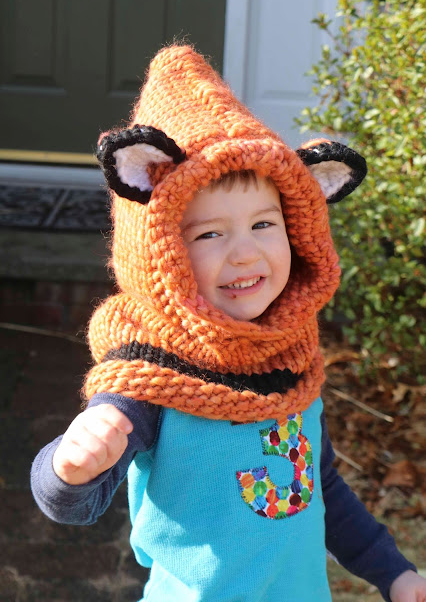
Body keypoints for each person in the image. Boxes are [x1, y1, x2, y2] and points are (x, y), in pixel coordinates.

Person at [31, 45, 426, 602]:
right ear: (161, 252)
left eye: (264, 224)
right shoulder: (151, 378)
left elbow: (321, 489)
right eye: (210, 233)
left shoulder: (290, 358)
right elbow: (76, 503)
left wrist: (394, 572)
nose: (245, 253)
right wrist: (69, 467)